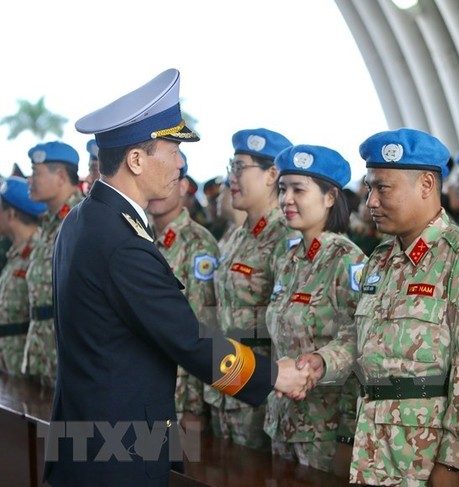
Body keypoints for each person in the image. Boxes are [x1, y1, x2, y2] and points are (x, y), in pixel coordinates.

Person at [45, 68, 309, 487]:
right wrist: (275, 375)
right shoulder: (121, 240)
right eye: (170, 151)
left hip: (86, 438)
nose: (179, 163)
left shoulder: (84, 219)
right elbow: (187, 338)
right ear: (136, 159)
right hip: (119, 453)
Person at [299, 128, 459, 486]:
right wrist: (322, 361)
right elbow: (359, 339)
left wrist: (454, 464)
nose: (370, 203)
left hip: (422, 459)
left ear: (426, 185)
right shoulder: (380, 260)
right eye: (369, 188)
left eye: (383, 188)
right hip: (371, 448)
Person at [264, 144, 364, 475]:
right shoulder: (288, 259)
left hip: (324, 430)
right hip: (282, 422)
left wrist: (346, 439)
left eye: (298, 189)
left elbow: (360, 340)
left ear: (331, 197)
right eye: (282, 189)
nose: (286, 199)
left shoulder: (346, 260)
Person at [204, 127, 297, 451]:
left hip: (259, 387)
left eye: (240, 167)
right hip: (223, 381)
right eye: (232, 166)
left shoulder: (286, 237)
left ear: (272, 174)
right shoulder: (238, 236)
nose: (232, 176)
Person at [147, 151, 219, 426]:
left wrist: (193, 405)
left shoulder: (199, 244)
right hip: (147, 384)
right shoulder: (140, 238)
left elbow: (202, 328)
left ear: (184, 186)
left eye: (168, 180)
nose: (158, 190)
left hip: (180, 398)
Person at [24, 140, 84, 386]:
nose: (29, 180)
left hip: (70, 357)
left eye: (35, 173)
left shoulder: (83, 218)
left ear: (60, 177)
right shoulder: (50, 222)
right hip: (43, 352)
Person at [0, 177, 46, 375]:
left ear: (11, 214)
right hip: (9, 364)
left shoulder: (39, 253)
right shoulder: (15, 252)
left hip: (29, 366)